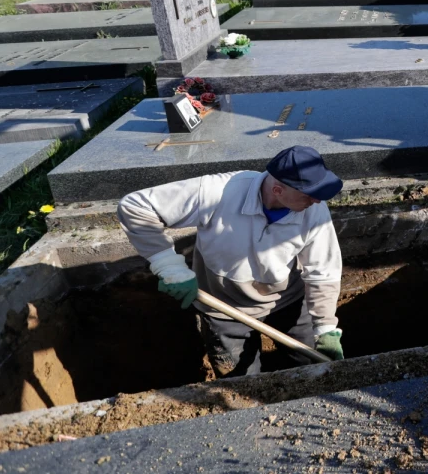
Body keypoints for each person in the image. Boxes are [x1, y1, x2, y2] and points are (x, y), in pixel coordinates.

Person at [118, 145, 345, 377]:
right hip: (225, 309)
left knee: (315, 370)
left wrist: (325, 327)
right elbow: (135, 206)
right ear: (277, 190)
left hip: (287, 301)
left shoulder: (314, 210)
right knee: (241, 383)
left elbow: (323, 271)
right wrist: (169, 266)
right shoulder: (217, 192)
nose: (316, 200)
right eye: (309, 194)